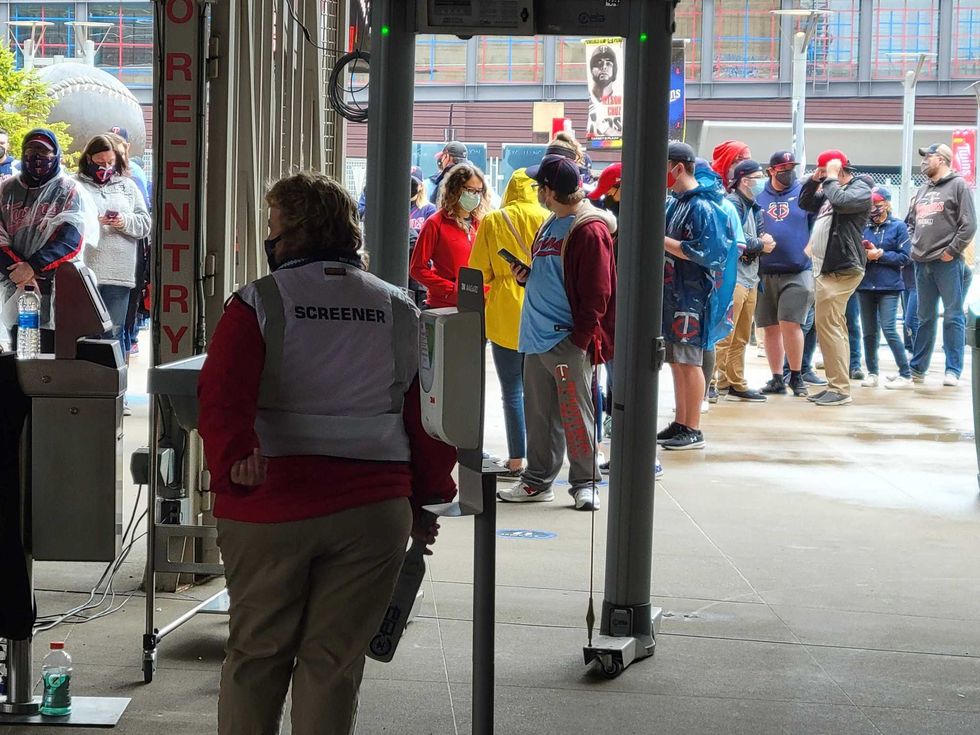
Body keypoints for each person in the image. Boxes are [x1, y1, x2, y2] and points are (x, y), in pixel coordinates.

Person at [198, 171, 457, 735]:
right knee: (334, 665)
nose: (270, 238)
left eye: (273, 227)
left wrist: (233, 456)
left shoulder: (260, 302)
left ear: (291, 233)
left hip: (271, 503)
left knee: (257, 657)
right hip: (373, 509)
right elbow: (427, 418)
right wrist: (428, 498)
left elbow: (219, 394)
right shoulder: (399, 309)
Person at [496, 154, 616, 511]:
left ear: (549, 191)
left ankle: (585, 482)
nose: (537, 191)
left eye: (539, 186)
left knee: (576, 415)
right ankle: (537, 480)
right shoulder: (552, 223)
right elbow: (554, 273)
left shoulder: (589, 228)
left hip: (566, 340)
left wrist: (580, 341)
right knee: (539, 415)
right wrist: (528, 275)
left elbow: (599, 292)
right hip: (536, 338)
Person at [469, 168, 546, 479]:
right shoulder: (547, 217)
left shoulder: (493, 220)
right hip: (540, 308)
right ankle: (543, 459)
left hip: (503, 312)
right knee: (539, 392)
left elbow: (478, 271)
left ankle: (516, 460)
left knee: (511, 390)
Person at [656, 142, 732, 451]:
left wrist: (662, 241)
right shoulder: (677, 202)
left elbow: (708, 252)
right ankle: (681, 420)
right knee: (677, 360)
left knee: (689, 361)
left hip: (692, 296)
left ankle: (693, 426)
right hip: (675, 292)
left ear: (678, 167)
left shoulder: (701, 205)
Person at [0, 129, 93, 352]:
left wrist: (33, 266)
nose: (37, 156)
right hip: (15, 283)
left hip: (56, 284)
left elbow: (71, 240)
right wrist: (18, 271)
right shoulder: (6, 189)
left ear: (56, 154)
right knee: (18, 350)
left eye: (43, 150)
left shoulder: (70, 190)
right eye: (31, 150)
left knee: (52, 350)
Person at [799, 149, 873, 406]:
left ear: (840, 169)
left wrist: (830, 178)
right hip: (826, 268)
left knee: (830, 328)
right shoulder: (831, 191)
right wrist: (815, 179)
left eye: (828, 170)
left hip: (843, 268)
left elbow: (842, 202)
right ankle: (836, 384)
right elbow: (806, 204)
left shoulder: (859, 188)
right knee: (831, 328)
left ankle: (840, 388)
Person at [907, 143, 977, 387]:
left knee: (952, 315)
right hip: (921, 262)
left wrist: (951, 251)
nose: (925, 161)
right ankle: (917, 369)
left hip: (947, 263)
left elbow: (969, 225)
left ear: (943, 159)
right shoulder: (922, 188)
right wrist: (914, 246)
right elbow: (910, 222)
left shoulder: (958, 185)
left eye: (929, 156)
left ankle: (953, 370)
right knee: (923, 317)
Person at [755, 150, 822, 397]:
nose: (788, 172)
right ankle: (776, 378)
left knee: (791, 323)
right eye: (782, 168)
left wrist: (809, 250)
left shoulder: (803, 194)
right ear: (771, 170)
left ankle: (796, 375)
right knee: (770, 327)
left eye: (791, 167)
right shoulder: (759, 196)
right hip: (765, 271)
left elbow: (820, 225)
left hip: (797, 269)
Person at [75, 135, 151, 349]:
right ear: (88, 159)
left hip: (120, 274)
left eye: (110, 163)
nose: (105, 168)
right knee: (85, 334)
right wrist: (93, 222)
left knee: (114, 335)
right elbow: (65, 224)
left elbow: (145, 224)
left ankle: (113, 380)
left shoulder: (128, 186)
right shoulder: (75, 185)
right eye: (100, 163)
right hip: (85, 273)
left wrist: (123, 221)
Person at [715, 159, 773, 402]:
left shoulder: (754, 207)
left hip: (750, 277)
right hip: (734, 277)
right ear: (744, 180)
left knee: (741, 335)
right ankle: (713, 381)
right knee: (725, 334)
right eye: (757, 176)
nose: (762, 181)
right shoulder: (732, 203)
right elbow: (737, 241)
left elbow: (756, 239)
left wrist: (758, 244)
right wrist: (761, 244)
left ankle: (734, 381)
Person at [855, 186, 914, 389]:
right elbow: (854, 253)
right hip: (865, 286)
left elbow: (905, 257)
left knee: (889, 328)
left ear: (887, 204)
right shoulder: (864, 226)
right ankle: (872, 372)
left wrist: (881, 255)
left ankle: (905, 374)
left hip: (889, 286)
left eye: (878, 205)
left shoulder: (898, 227)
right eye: (871, 205)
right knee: (869, 332)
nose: (874, 209)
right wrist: (866, 255)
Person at [410, 162, 490, 309]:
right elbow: (417, 268)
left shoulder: (482, 224)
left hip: (479, 303)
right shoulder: (435, 223)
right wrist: (450, 289)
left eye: (479, 191)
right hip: (444, 305)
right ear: (455, 190)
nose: (475, 196)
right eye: (470, 190)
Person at [407, 174, 437, 305]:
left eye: (413, 183)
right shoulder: (399, 207)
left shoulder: (429, 209)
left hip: (419, 272)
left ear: (420, 186)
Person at [108, 126, 151, 209]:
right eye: (110, 145)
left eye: (118, 149)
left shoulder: (134, 173)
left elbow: (143, 210)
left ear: (127, 147)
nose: (113, 152)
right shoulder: (98, 169)